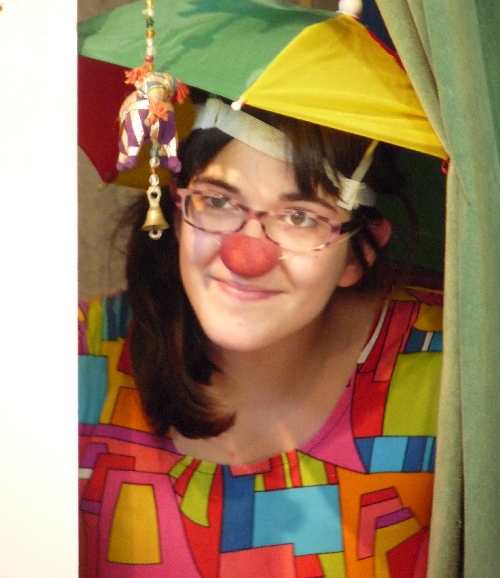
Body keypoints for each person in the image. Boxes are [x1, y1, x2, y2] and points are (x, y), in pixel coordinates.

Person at [78, 94, 443, 577]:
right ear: (177, 208)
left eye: (300, 217)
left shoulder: (452, 380)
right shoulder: (71, 357)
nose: (245, 256)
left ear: (361, 252)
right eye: (218, 201)